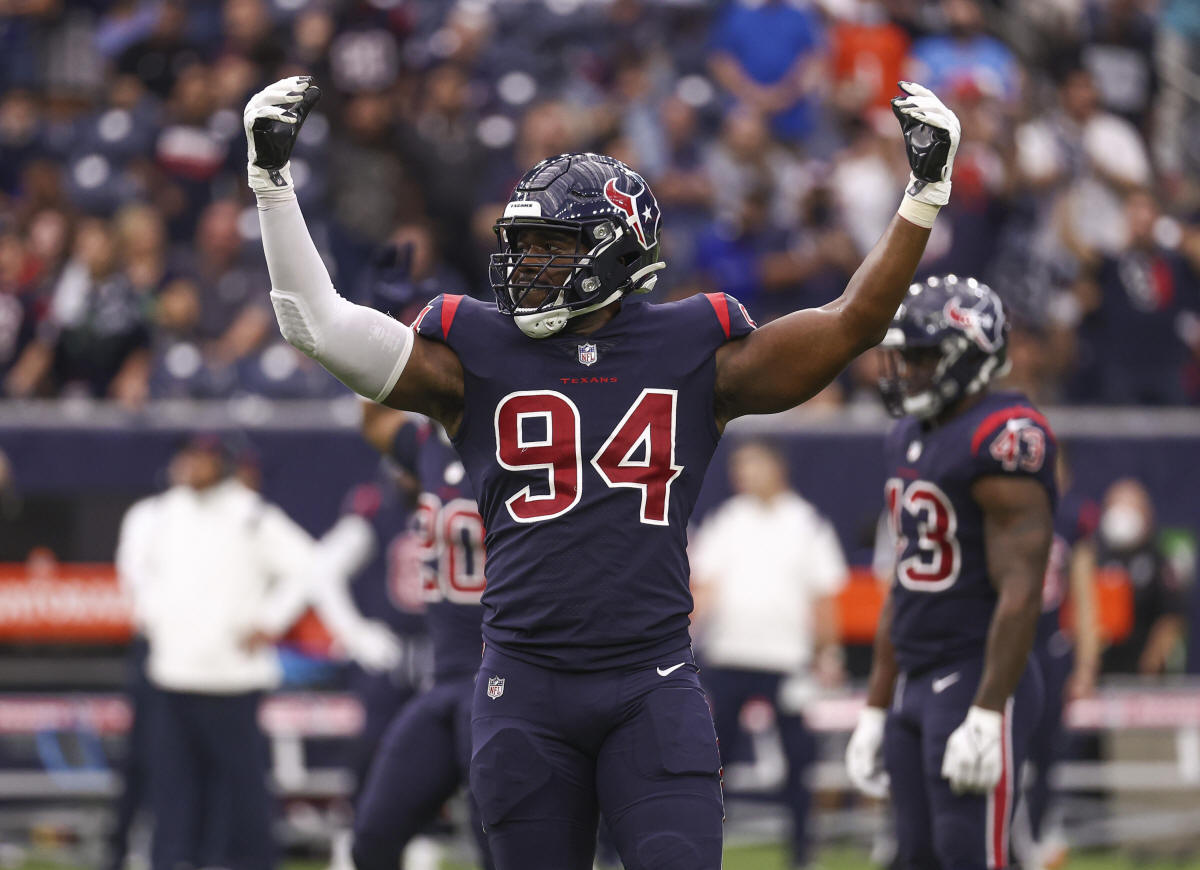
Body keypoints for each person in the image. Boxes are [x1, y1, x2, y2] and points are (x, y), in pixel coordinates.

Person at [245, 74, 960, 869]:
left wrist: (923, 194)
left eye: (550, 246)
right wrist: (271, 183)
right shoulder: (475, 350)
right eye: (522, 244)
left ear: (614, 250)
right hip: (522, 686)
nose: (526, 263)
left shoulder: (693, 349)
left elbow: (854, 321)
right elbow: (315, 324)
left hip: (650, 682)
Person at [845, 276, 1058, 870]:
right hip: (916, 676)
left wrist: (988, 709)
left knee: (969, 854)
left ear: (969, 355)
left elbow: (1022, 587)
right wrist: (877, 705)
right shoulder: (906, 435)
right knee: (914, 856)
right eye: (906, 356)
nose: (908, 371)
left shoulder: (1004, 436)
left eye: (923, 357)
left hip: (975, 672)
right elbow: (906, 581)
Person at [125, 434, 323, 870]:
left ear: (223, 464)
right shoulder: (157, 515)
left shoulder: (251, 514)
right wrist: (155, 620)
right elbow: (137, 576)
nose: (191, 466)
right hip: (172, 676)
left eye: (203, 458)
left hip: (233, 679)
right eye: (187, 456)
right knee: (173, 792)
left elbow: (310, 566)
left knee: (241, 794)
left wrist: (269, 620)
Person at [690, 439, 848, 869]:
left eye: (753, 464)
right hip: (729, 656)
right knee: (713, 759)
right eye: (740, 466)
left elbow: (823, 596)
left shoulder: (806, 523)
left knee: (798, 761)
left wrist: (828, 653)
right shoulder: (726, 521)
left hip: (786, 661)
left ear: (777, 467)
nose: (744, 474)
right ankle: (702, 845)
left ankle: (801, 853)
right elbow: (704, 589)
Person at [349, 403, 493, 870]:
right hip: (446, 680)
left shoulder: (516, 444)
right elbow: (374, 417)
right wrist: (395, 361)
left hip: (506, 681)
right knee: (372, 840)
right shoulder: (428, 444)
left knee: (501, 847)